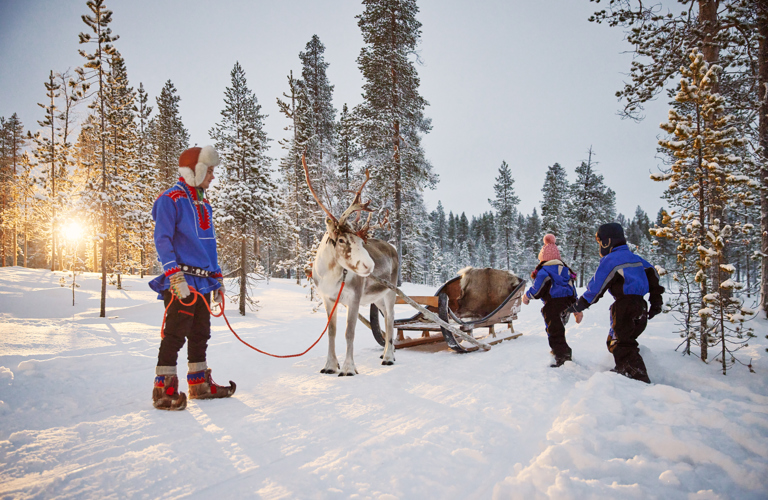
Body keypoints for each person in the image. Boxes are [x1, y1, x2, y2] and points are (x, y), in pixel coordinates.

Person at [149, 145, 235, 411]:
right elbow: (162, 239)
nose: (212, 176)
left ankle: (199, 384)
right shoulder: (170, 199)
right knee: (175, 333)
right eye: (209, 171)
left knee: (201, 333)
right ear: (195, 171)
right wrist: (174, 276)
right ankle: (164, 389)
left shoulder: (203, 202)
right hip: (182, 281)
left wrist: (217, 278)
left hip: (202, 281)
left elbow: (209, 244)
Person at [565, 222, 664, 383]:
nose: (599, 247)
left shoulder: (611, 260)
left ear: (607, 241)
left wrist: (579, 305)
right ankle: (625, 369)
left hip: (625, 306)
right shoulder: (638, 260)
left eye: (599, 242)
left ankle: (636, 375)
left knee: (621, 342)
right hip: (641, 307)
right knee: (618, 340)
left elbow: (596, 287)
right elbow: (654, 277)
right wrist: (656, 302)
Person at [522, 234, 583, 367]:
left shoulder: (544, 271)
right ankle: (559, 351)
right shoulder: (566, 271)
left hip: (553, 306)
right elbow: (573, 291)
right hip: (566, 305)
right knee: (558, 329)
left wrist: (527, 296)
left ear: (543, 259)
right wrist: (577, 310)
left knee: (554, 331)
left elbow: (537, 290)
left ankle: (562, 357)